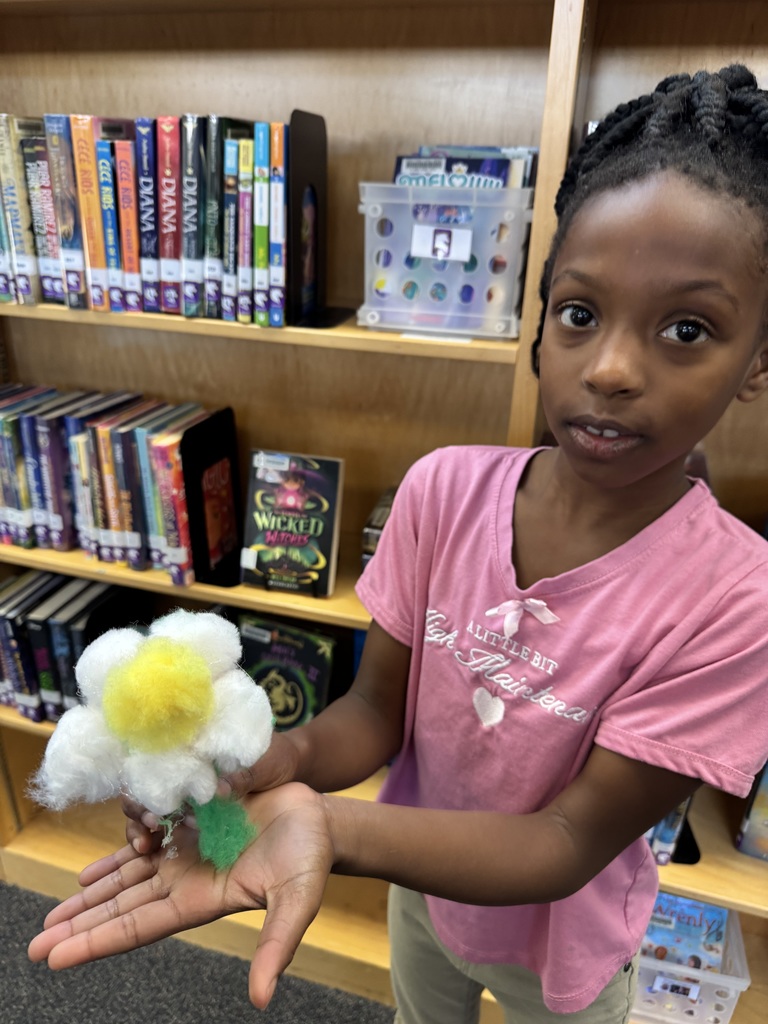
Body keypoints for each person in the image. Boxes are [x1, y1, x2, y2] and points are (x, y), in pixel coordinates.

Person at [28, 64, 768, 1024]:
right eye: (580, 314)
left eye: (686, 328)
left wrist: (328, 828)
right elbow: (376, 717)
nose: (614, 369)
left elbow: (566, 839)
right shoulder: (443, 491)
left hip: (565, 943)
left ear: (757, 360)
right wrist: (276, 765)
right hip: (421, 886)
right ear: (540, 320)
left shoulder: (736, 597)